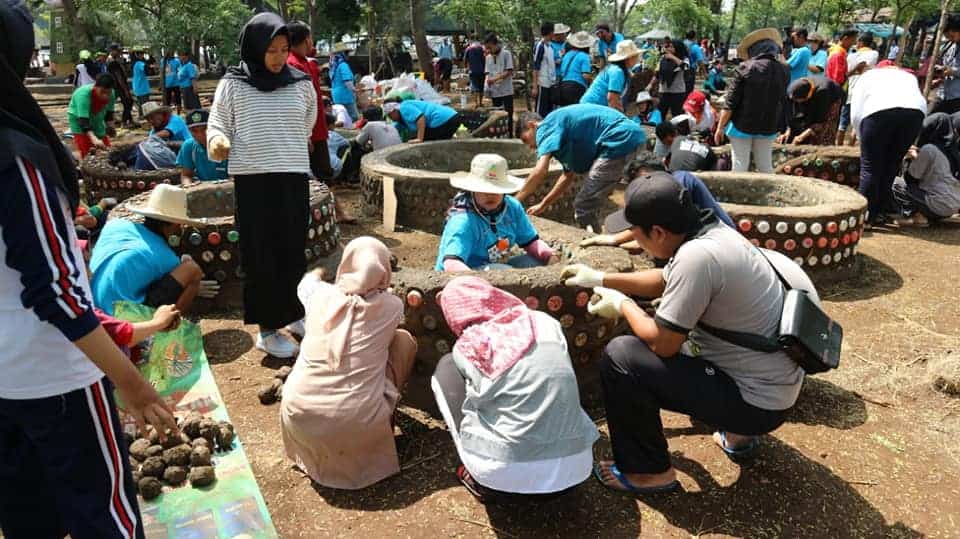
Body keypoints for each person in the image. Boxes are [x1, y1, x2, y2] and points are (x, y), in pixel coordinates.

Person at [0, 3, 179, 534]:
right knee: (105, 516)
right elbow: (56, 290)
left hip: (6, 379)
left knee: (28, 515)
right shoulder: (14, 157)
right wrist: (134, 384)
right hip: (55, 375)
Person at [565, 174, 813, 494]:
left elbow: (662, 344)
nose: (633, 239)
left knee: (622, 356)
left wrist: (624, 305)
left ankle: (649, 472)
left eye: (635, 233)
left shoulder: (697, 259)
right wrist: (600, 278)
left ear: (658, 232)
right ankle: (739, 436)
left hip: (757, 404)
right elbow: (664, 279)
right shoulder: (713, 232)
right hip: (775, 386)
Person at [432, 276, 599, 502]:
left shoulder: (469, 345)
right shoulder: (545, 321)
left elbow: (478, 398)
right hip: (576, 469)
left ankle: (476, 474)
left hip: (499, 477)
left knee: (446, 368)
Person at [208, 12, 317, 358]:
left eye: (284, 49)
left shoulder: (300, 82)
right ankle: (267, 328)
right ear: (254, 48)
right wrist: (218, 142)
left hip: (293, 176)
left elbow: (307, 123)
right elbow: (218, 123)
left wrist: (284, 150)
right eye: (271, 50)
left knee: (291, 249)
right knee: (260, 255)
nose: (278, 58)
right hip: (253, 180)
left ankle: (294, 312)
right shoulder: (234, 83)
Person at [281, 238, 417, 490]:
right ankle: (381, 427)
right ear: (383, 269)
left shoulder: (320, 295)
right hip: (353, 425)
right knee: (403, 341)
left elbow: (307, 283)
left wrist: (320, 273)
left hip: (299, 415)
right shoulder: (391, 306)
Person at [517, 104, 646, 231]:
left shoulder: (546, 126)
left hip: (618, 140)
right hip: (632, 136)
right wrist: (543, 204)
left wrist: (514, 202)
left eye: (525, 139)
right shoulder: (560, 132)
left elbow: (540, 170)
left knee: (583, 206)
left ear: (532, 125)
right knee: (639, 195)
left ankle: (595, 247)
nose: (529, 147)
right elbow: (567, 176)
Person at [90, 185, 211, 316]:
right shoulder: (166, 259)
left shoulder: (115, 225)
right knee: (191, 270)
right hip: (122, 320)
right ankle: (170, 326)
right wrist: (193, 288)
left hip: (93, 309)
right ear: (175, 224)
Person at [435, 154, 558, 271]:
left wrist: (549, 256)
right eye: (484, 189)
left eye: (496, 189)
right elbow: (451, 263)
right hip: (464, 273)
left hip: (495, 265)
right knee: (504, 271)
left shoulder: (512, 207)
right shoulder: (463, 220)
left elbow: (530, 241)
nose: (490, 194)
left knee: (537, 262)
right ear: (472, 189)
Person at [580, 170, 736, 250]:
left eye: (635, 229)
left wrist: (621, 303)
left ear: (659, 233)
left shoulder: (696, 255)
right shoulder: (705, 227)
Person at [851, 64, 926, 227]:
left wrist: (861, 136)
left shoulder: (867, 77)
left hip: (879, 111)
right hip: (915, 113)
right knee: (891, 165)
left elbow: (856, 112)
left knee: (870, 168)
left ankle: (865, 218)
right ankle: (880, 213)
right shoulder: (908, 76)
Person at [714, 28, 789, 173]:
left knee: (740, 164)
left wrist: (720, 127)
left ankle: (738, 195)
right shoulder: (784, 70)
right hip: (769, 125)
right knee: (765, 165)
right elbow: (782, 99)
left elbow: (731, 102)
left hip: (742, 125)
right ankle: (769, 195)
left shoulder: (745, 67)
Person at [286, 21, 333, 182]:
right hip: (311, 132)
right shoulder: (294, 64)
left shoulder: (303, 62)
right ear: (307, 40)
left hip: (316, 129)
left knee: (322, 174)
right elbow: (296, 105)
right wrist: (306, 136)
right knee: (319, 175)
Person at [893, 113, 960, 226]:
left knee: (894, 183)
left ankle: (915, 215)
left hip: (938, 204)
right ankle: (924, 215)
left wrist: (910, 159)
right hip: (954, 206)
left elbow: (910, 178)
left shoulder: (929, 149)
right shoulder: (954, 150)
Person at [837, 33, 878, 145]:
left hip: (850, 92)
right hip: (864, 93)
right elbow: (865, 67)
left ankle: (838, 146)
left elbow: (849, 72)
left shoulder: (850, 56)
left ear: (860, 42)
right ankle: (850, 146)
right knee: (857, 122)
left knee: (843, 122)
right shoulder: (874, 54)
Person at [580, 40, 642, 113]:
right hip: (591, 108)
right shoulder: (617, 72)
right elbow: (612, 99)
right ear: (629, 58)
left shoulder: (622, 71)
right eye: (636, 56)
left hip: (595, 107)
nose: (637, 58)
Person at [781, 76, 844, 145]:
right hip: (813, 96)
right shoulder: (791, 91)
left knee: (825, 129)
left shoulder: (823, 91)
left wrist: (801, 137)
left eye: (799, 101)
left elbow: (820, 120)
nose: (797, 103)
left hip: (833, 99)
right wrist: (788, 131)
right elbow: (792, 116)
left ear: (807, 96)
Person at [67, 73, 116, 158]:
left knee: (107, 150)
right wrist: (94, 138)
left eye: (108, 92)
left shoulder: (111, 94)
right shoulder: (83, 95)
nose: (105, 96)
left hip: (97, 118)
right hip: (79, 121)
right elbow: (83, 120)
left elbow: (109, 114)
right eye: (102, 92)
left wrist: (110, 127)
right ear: (95, 87)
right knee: (88, 153)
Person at [177, 109, 228, 184]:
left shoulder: (227, 144)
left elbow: (235, 177)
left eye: (204, 129)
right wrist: (189, 186)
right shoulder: (189, 146)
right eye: (194, 131)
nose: (200, 134)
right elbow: (186, 175)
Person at [384, 99, 461, 142]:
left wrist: (419, 138)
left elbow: (421, 118)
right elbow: (393, 129)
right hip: (452, 118)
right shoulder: (400, 120)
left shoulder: (404, 107)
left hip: (446, 119)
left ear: (394, 110)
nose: (390, 118)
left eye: (390, 115)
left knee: (417, 139)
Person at [484, 33, 514, 136]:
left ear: (495, 44)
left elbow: (509, 71)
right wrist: (487, 86)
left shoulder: (506, 54)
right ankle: (499, 135)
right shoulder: (488, 58)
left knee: (508, 113)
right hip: (495, 91)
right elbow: (487, 73)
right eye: (487, 48)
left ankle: (509, 134)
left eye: (490, 47)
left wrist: (494, 79)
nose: (488, 50)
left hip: (506, 90)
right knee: (496, 114)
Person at [555, 31, 595, 107]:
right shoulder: (584, 56)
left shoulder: (567, 55)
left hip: (563, 87)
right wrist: (592, 81)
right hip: (577, 88)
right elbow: (585, 75)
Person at [657, 39, 689, 119]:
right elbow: (658, 73)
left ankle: (678, 130)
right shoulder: (663, 58)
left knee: (677, 115)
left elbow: (685, 67)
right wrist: (650, 84)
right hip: (664, 91)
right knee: (660, 113)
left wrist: (673, 57)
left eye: (672, 47)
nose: (669, 49)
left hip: (677, 92)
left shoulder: (684, 59)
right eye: (668, 46)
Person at [934, 15, 960, 114]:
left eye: (952, 36)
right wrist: (941, 72)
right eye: (948, 37)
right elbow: (946, 65)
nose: (951, 39)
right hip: (943, 94)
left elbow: (953, 70)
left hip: (957, 98)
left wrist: (953, 71)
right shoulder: (951, 46)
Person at [107, 44, 136, 128]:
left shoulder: (114, 60)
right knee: (128, 102)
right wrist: (125, 90)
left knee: (127, 102)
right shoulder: (113, 62)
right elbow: (119, 77)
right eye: (118, 51)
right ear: (112, 51)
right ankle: (124, 121)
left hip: (118, 85)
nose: (119, 52)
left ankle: (129, 120)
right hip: (119, 86)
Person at [532, 22, 557, 117]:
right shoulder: (540, 46)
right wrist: (535, 86)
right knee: (540, 111)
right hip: (542, 83)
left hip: (550, 83)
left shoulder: (550, 46)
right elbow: (536, 66)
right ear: (550, 32)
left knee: (549, 110)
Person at [329, 42, 359, 122]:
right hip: (345, 95)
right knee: (354, 116)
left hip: (336, 95)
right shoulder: (343, 65)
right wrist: (355, 90)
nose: (348, 55)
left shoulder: (333, 66)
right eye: (347, 53)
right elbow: (347, 81)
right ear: (343, 54)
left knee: (341, 115)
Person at [463, 37, 487, 107]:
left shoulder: (469, 48)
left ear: (471, 41)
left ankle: (476, 103)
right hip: (482, 71)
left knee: (475, 87)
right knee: (481, 87)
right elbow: (485, 59)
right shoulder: (482, 48)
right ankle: (481, 102)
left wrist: (465, 68)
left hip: (472, 71)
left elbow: (465, 59)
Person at [131, 48, 151, 118]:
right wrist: (150, 66)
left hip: (137, 86)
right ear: (137, 55)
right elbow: (145, 68)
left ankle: (141, 116)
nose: (142, 55)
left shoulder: (134, 63)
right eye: (141, 54)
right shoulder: (139, 63)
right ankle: (144, 117)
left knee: (140, 104)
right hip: (142, 87)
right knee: (145, 104)